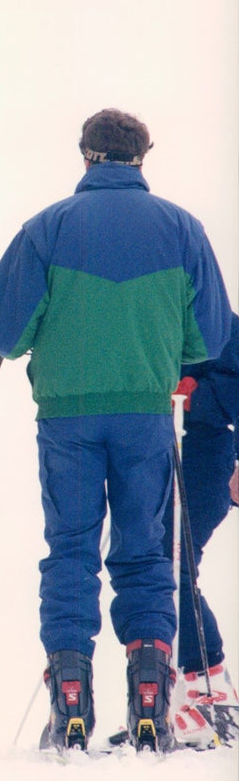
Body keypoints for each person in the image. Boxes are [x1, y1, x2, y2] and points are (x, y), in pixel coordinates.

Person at [0, 108, 232, 753]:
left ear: (86, 155)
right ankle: (150, 679)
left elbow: (2, 332)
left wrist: (49, 333)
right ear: (143, 156)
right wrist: (162, 356)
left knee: (70, 548)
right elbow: (213, 333)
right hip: (147, 412)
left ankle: (69, 688)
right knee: (146, 552)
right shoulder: (182, 228)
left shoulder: (47, 227)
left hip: (66, 414)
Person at [167, 312, 239, 747]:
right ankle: (167, 696)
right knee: (156, 563)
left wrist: (196, 397)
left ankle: (209, 690)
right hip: (159, 449)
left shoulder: (217, 319)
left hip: (208, 454)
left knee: (175, 560)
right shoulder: (152, 307)